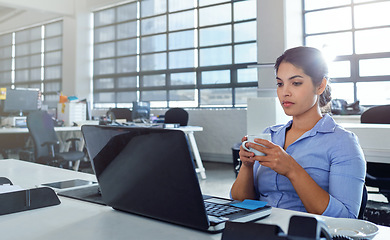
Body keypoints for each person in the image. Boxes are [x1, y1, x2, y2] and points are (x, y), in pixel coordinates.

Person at [230, 46, 366, 218]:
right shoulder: (270, 135)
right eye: (280, 84)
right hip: (261, 230)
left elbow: (346, 219)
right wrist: (247, 166)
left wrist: (292, 170)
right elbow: (240, 203)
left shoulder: (343, 143)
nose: (284, 92)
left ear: (320, 85)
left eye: (296, 83)